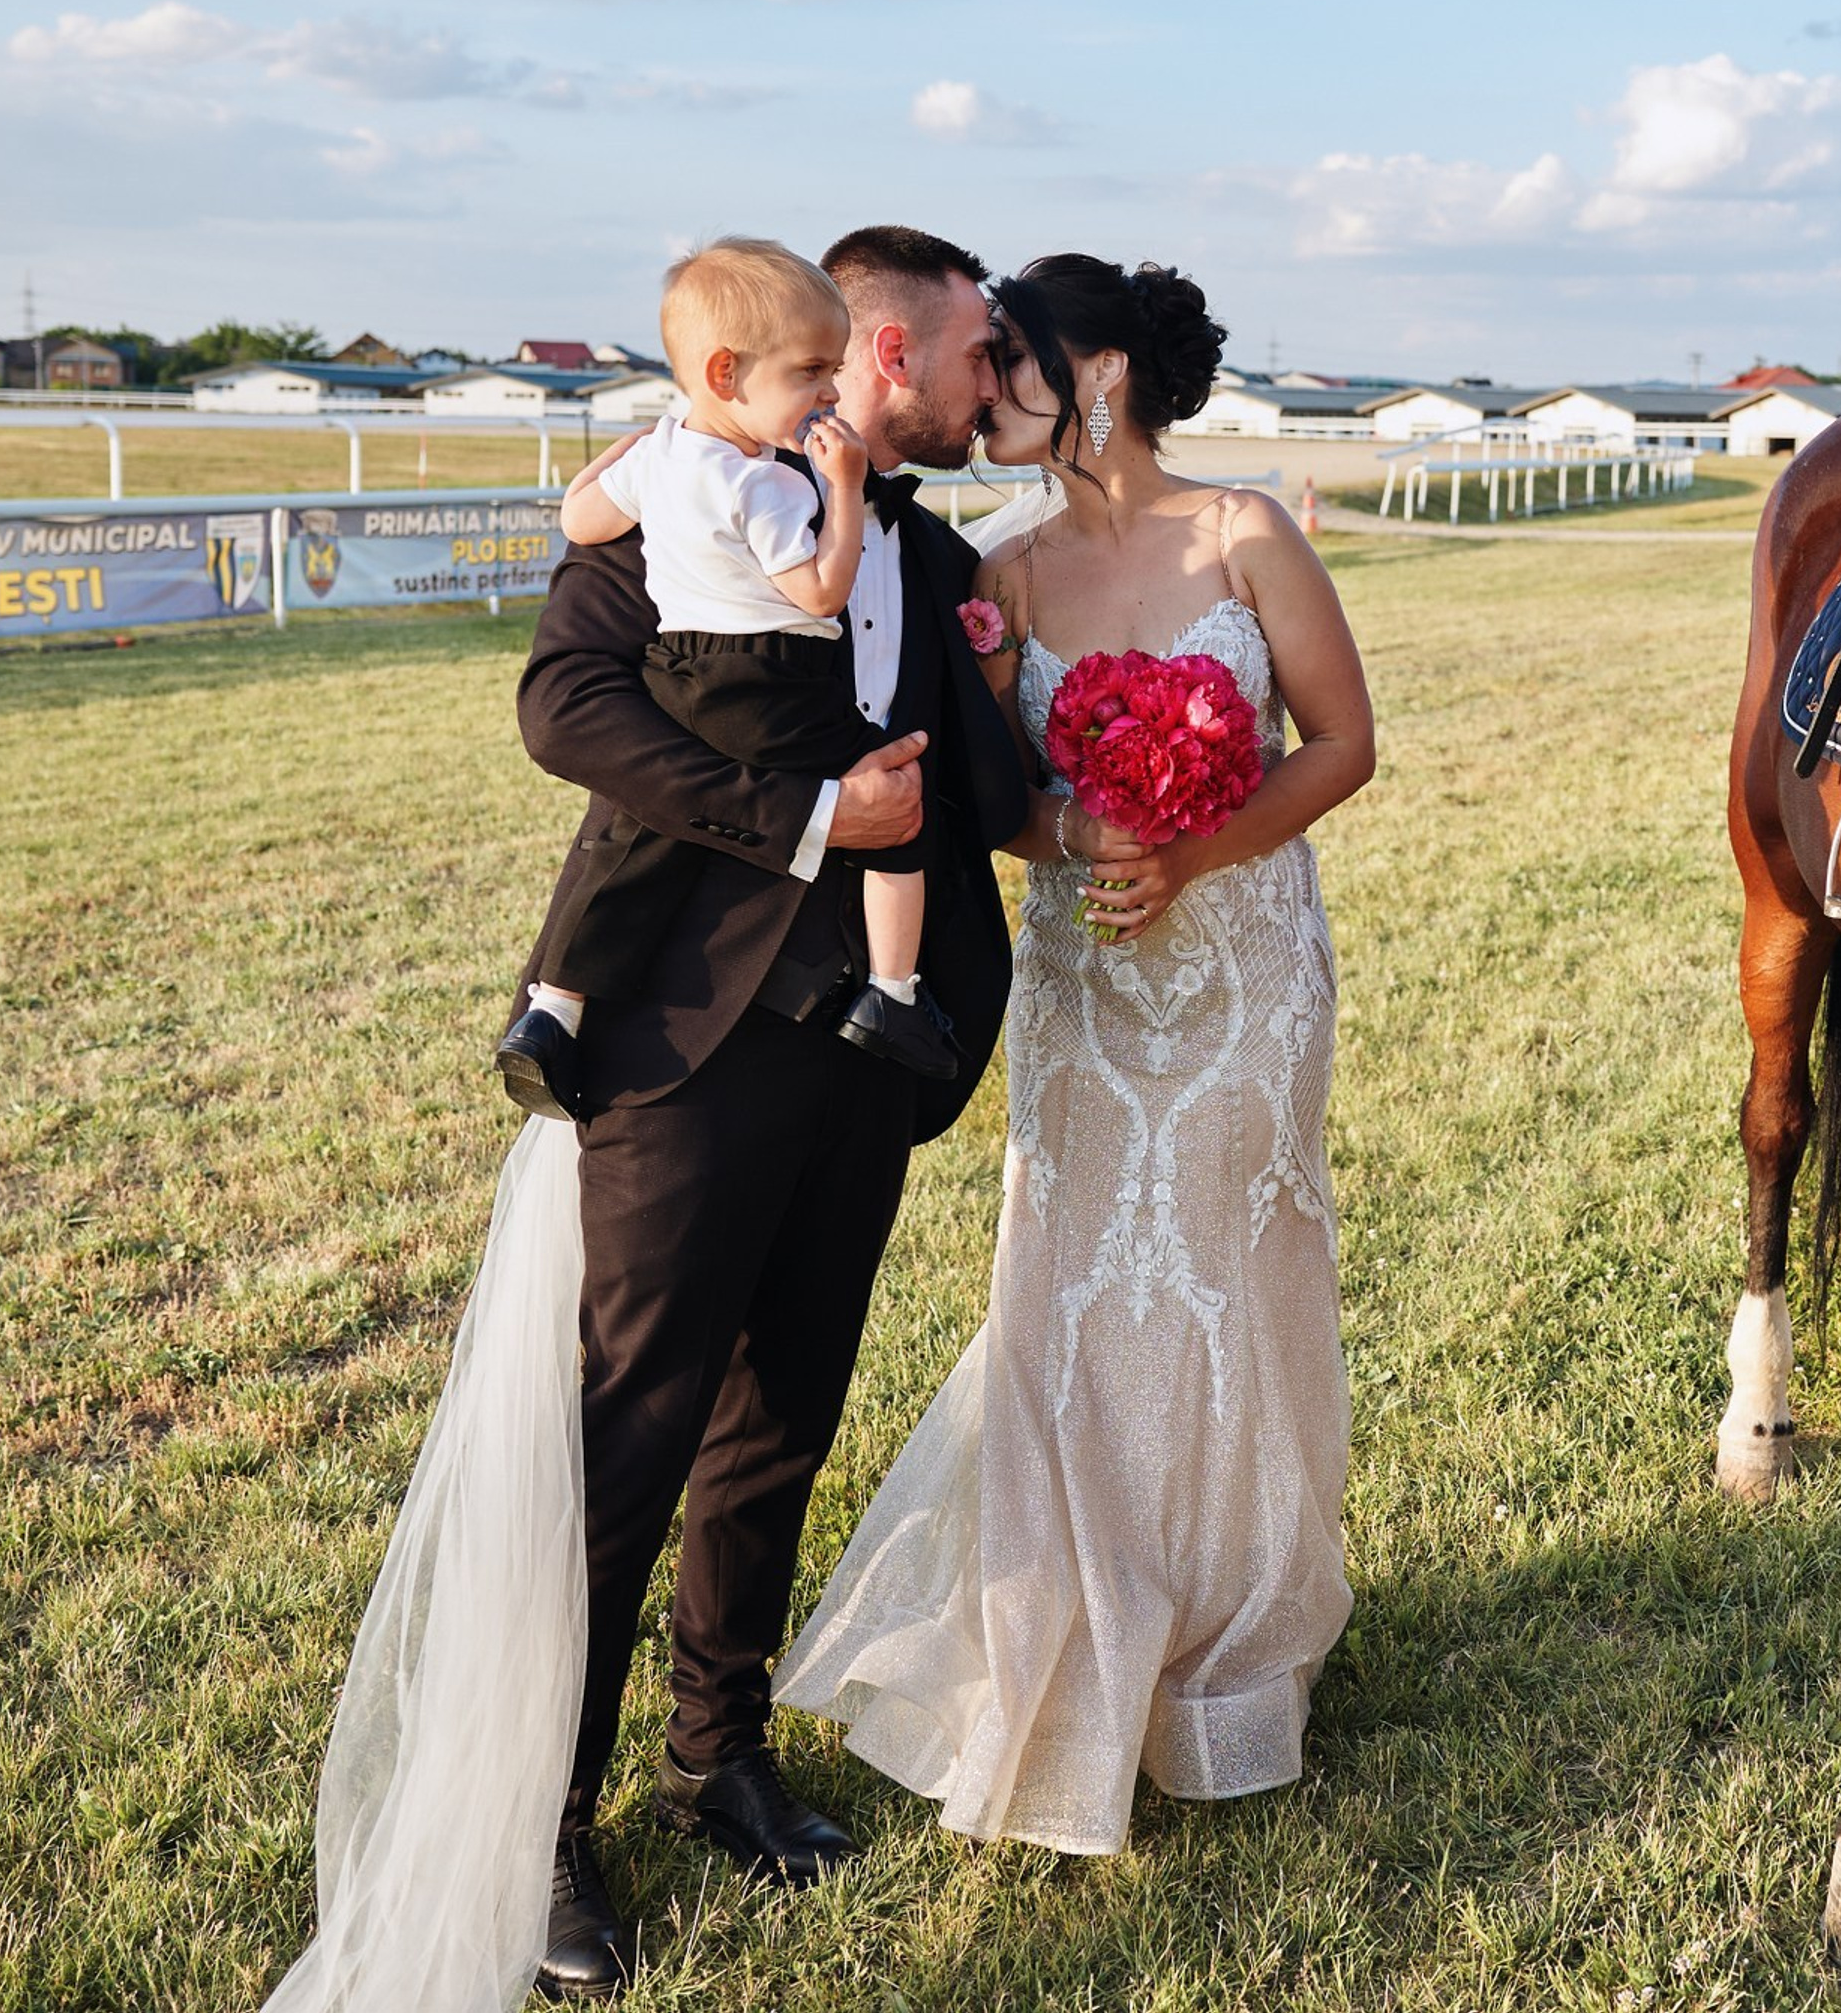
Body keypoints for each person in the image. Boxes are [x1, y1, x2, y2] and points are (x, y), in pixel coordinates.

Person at [774, 253, 1376, 1856]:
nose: (990, 392)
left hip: (1245, 976)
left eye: (1015, 361)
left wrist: (1197, 848)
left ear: (1095, 371)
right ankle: (1082, 1628)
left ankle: (1227, 1647)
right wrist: (1074, 830)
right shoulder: (1005, 577)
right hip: (1089, 999)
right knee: (1074, 1285)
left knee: (1227, 1291)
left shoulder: (1246, 535)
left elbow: (1345, 744)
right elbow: (993, 801)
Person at [515, 225, 1024, 1996]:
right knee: (626, 1444)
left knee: (780, 1422)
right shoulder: (685, 498)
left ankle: (716, 1754)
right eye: (973, 354)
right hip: (684, 1039)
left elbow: (995, 784)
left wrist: (1163, 719)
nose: (989, 384)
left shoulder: (936, 555)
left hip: (864, 1053)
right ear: (876, 354)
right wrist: (813, 824)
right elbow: (567, 708)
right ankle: (543, 1827)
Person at [495, 238, 957, 1121]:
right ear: (726, 372)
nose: (830, 389)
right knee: (899, 806)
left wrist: (619, 464)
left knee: (635, 838)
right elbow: (822, 587)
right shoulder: (771, 487)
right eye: (814, 369)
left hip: (681, 671)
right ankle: (894, 995)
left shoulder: (658, 459)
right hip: (773, 675)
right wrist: (845, 489)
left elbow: (581, 518)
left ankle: (553, 1010)